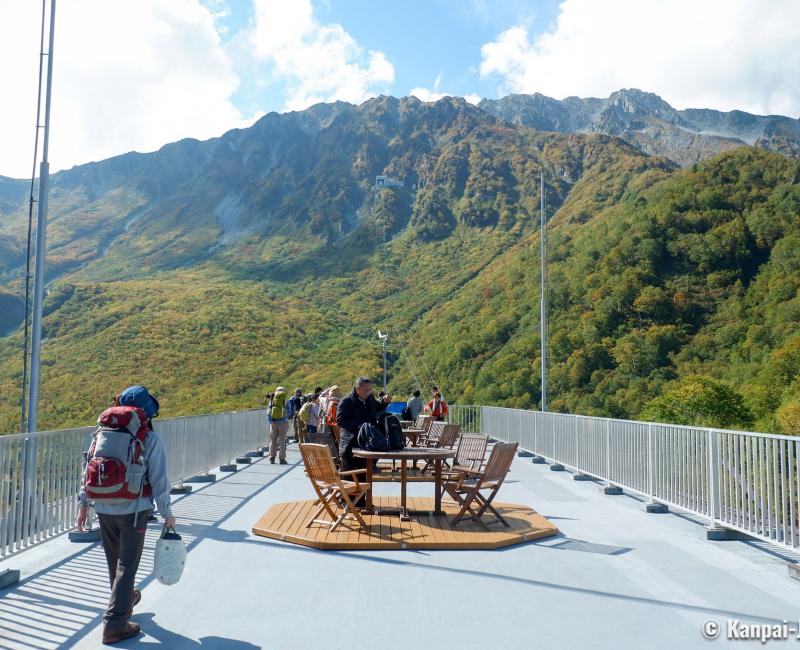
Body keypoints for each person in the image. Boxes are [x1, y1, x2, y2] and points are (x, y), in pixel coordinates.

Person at [76, 385, 175, 646]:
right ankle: (114, 624)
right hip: (134, 509)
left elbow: (88, 468)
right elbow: (159, 479)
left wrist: (83, 503)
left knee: (115, 562)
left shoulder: (102, 434)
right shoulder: (149, 438)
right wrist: (167, 512)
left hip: (103, 505)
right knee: (127, 565)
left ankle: (126, 601)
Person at [336, 377, 390, 473]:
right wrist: (361, 424)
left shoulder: (370, 398)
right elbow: (340, 421)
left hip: (367, 444)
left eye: (370, 390)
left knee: (364, 477)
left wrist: (384, 402)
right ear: (357, 389)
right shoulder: (346, 401)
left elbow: (378, 407)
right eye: (366, 390)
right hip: (350, 445)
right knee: (350, 480)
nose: (368, 392)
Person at [267, 386, 289, 464]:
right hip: (283, 422)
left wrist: (271, 420)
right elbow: (289, 411)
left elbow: (268, 411)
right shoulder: (285, 399)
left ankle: (272, 458)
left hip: (273, 423)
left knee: (273, 441)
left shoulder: (272, 399)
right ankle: (282, 459)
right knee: (282, 441)